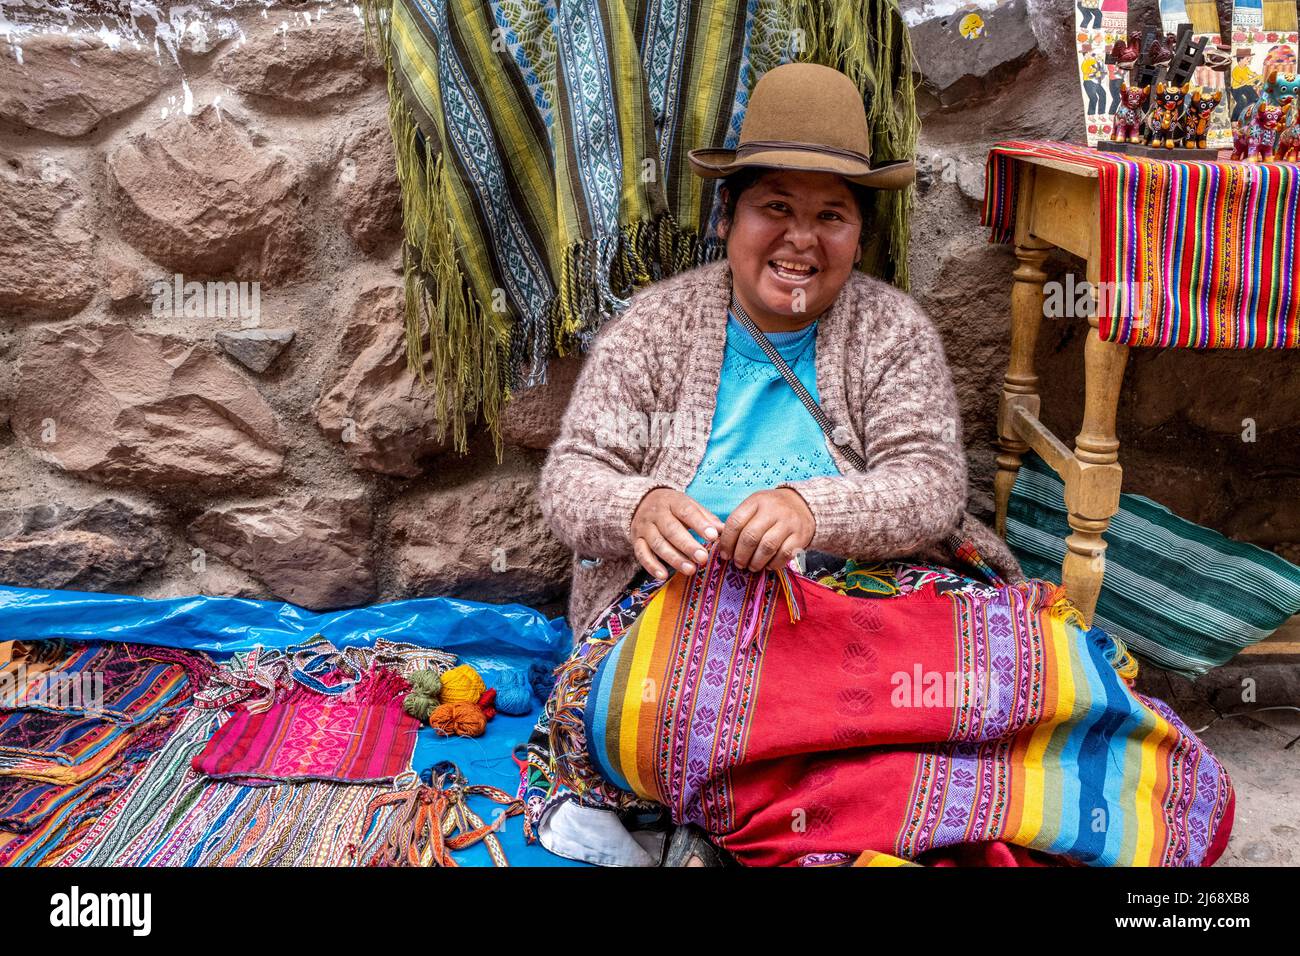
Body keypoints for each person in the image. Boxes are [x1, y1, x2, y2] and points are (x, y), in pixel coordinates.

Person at [524, 63, 1233, 868]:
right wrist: (641, 504)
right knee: (670, 699)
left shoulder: (891, 330)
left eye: (831, 214)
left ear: (859, 233)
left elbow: (932, 486)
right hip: (689, 611)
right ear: (729, 216)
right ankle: (839, 815)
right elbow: (571, 478)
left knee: (1044, 663)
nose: (801, 238)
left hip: (870, 597)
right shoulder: (656, 329)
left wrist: (812, 509)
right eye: (775, 208)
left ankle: (742, 824)